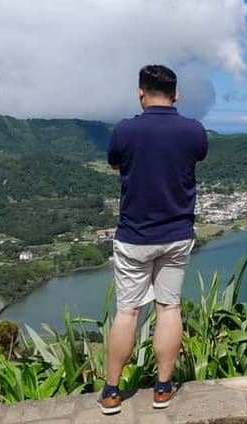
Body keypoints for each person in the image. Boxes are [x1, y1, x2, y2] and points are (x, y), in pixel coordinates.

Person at [98, 65, 208, 415]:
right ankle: (163, 387)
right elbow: (194, 158)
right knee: (169, 307)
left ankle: (112, 392)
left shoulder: (125, 131)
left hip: (135, 236)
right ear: (176, 95)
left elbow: (118, 165)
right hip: (176, 235)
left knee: (128, 311)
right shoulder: (194, 131)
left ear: (140, 93)